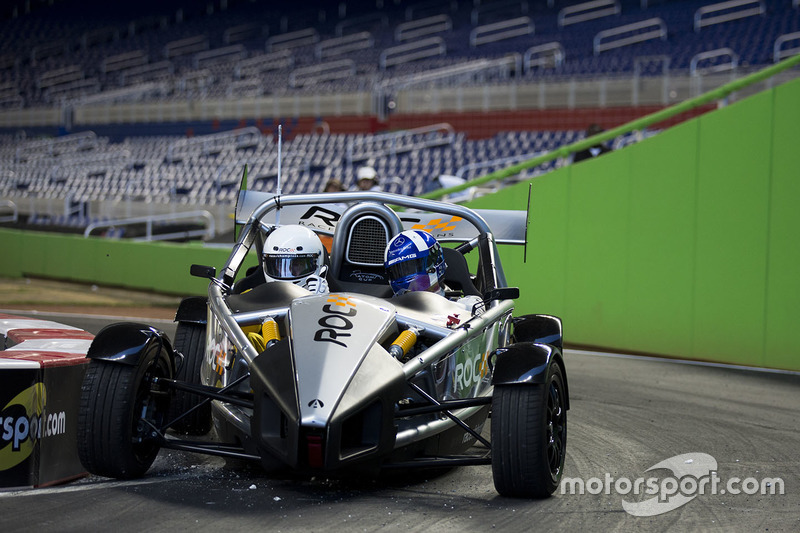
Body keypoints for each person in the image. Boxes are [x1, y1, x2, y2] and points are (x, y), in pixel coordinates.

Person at [384, 230, 484, 315]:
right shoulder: (386, 309)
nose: (407, 278)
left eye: (412, 268)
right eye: (400, 271)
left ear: (435, 264)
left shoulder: (467, 305)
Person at [262, 225, 329, 294]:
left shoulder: (337, 299)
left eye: (297, 264)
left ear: (317, 263)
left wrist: (321, 300)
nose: (287, 272)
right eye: (279, 264)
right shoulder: (254, 296)